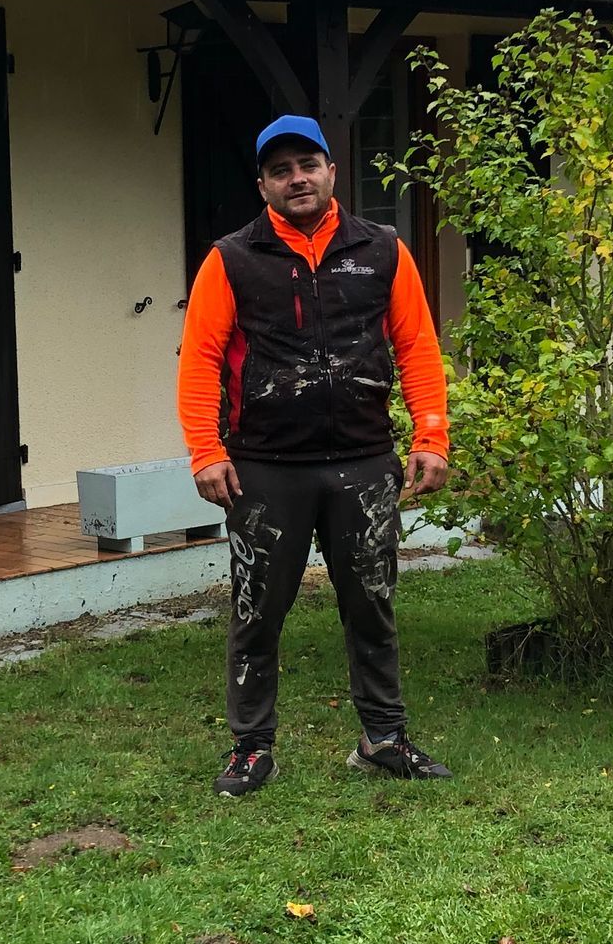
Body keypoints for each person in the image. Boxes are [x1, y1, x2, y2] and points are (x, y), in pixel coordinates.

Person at [177, 112, 453, 796]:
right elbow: (201, 358)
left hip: (362, 462)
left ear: (332, 170)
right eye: (280, 170)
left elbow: (417, 345)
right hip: (265, 468)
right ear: (263, 183)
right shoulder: (231, 259)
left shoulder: (384, 249)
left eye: (308, 165)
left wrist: (431, 434)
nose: (296, 179)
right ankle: (251, 749)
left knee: (372, 603)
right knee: (256, 611)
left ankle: (384, 740)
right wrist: (205, 451)